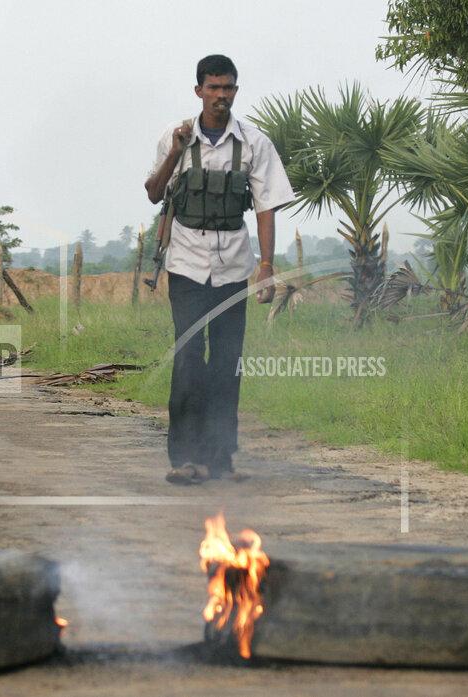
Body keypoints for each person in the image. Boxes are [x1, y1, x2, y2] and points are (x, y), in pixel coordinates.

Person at [143, 55, 294, 484]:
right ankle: (186, 458)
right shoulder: (176, 138)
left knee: (227, 361)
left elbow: (266, 208)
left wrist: (266, 266)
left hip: (233, 265)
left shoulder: (254, 143)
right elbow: (155, 194)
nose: (220, 96)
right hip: (187, 265)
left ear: (235, 91)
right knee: (190, 358)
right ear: (198, 91)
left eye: (227, 88)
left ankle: (221, 460)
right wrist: (175, 150)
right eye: (213, 88)